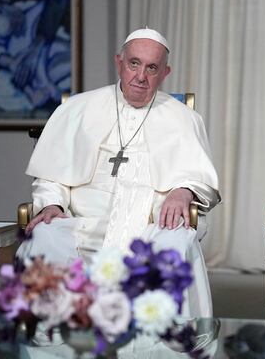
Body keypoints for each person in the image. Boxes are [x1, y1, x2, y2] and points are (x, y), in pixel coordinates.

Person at [19, 28, 221, 318]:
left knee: (176, 241)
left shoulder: (183, 119)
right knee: (45, 237)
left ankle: (160, 351)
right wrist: (52, 204)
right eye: (134, 63)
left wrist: (183, 191)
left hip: (148, 229)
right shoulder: (78, 109)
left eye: (152, 68)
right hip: (81, 225)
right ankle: (58, 350)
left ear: (165, 72)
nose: (140, 76)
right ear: (119, 62)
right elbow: (52, 176)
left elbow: (197, 176)